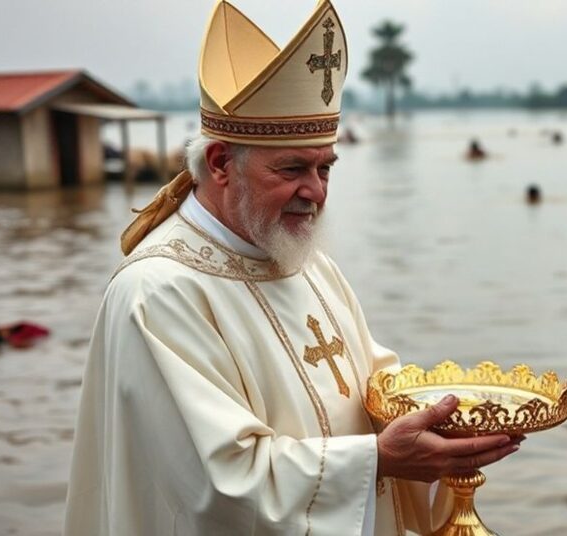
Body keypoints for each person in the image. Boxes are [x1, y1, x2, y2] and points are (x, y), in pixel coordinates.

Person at [64, 2, 520, 534]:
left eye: (325, 167)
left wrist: (438, 418)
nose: (317, 192)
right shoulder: (158, 292)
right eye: (293, 168)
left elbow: (369, 383)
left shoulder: (304, 261)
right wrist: (381, 460)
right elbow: (212, 484)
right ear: (219, 164)